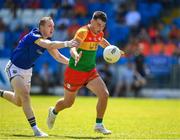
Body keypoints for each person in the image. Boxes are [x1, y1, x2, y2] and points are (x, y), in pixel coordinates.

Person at [47, 11, 124, 134]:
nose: (100, 28)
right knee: (68, 103)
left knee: (104, 94)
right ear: (92, 21)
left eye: (103, 26)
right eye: (98, 24)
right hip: (75, 72)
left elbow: (102, 41)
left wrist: (115, 51)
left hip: (90, 71)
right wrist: (76, 55)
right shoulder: (82, 32)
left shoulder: (99, 33)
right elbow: (73, 47)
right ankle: (54, 111)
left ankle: (98, 124)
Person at [0, 16, 79, 137]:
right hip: (14, 68)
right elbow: (50, 45)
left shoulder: (48, 40)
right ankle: (36, 130)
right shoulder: (34, 36)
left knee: (19, 101)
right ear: (41, 27)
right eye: (49, 26)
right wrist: (67, 43)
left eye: (53, 26)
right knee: (26, 97)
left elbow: (58, 57)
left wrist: (72, 62)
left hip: (27, 71)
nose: (52, 28)